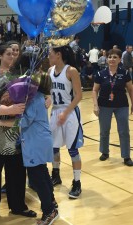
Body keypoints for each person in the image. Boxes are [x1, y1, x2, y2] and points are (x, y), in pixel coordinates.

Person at [0, 44, 36, 223]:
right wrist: (9, 108)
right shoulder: (4, 80)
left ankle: (18, 206)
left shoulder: (32, 83)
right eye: (10, 54)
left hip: (15, 137)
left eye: (15, 54)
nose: (13, 56)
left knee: (17, 175)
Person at [18, 73, 59, 225]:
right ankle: (52, 202)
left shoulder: (34, 99)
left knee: (37, 178)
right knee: (42, 173)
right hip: (40, 140)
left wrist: (11, 115)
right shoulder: (39, 96)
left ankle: (49, 211)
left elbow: (24, 122)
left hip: (36, 141)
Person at [48, 45, 84, 199]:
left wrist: (66, 112)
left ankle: (77, 183)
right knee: (54, 148)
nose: (48, 56)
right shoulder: (50, 71)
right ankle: (56, 175)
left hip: (69, 114)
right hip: (55, 111)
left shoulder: (71, 71)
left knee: (72, 150)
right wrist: (47, 101)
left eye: (50, 53)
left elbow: (79, 96)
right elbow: (50, 93)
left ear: (58, 54)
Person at [92, 48, 133, 166]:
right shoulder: (100, 74)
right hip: (104, 105)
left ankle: (126, 156)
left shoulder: (124, 73)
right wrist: (95, 105)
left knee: (124, 131)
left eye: (115, 57)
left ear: (120, 59)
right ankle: (105, 152)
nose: (112, 59)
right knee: (104, 131)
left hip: (122, 106)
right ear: (106, 59)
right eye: (110, 57)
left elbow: (130, 89)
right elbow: (94, 90)